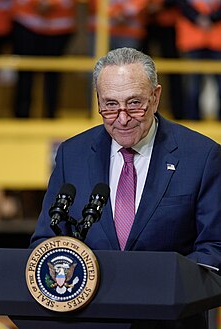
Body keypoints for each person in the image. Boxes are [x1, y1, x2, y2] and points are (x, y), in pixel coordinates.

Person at [30, 47, 221, 329]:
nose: (122, 118)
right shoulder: (73, 153)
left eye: (134, 104)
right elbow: (46, 242)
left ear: (156, 97)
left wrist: (153, 281)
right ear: (98, 100)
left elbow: (214, 248)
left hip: (169, 321)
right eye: (109, 105)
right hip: (89, 321)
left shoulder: (202, 156)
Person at [12, 0, 76, 118]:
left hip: (59, 26)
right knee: (25, 73)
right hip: (26, 21)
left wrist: (51, 4)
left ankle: (51, 116)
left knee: (53, 74)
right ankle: (21, 116)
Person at [175, 0, 221, 120]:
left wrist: (211, 18)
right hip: (192, 40)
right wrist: (198, 18)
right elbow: (181, 4)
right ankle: (192, 120)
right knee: (192, 86)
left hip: (217, 40)